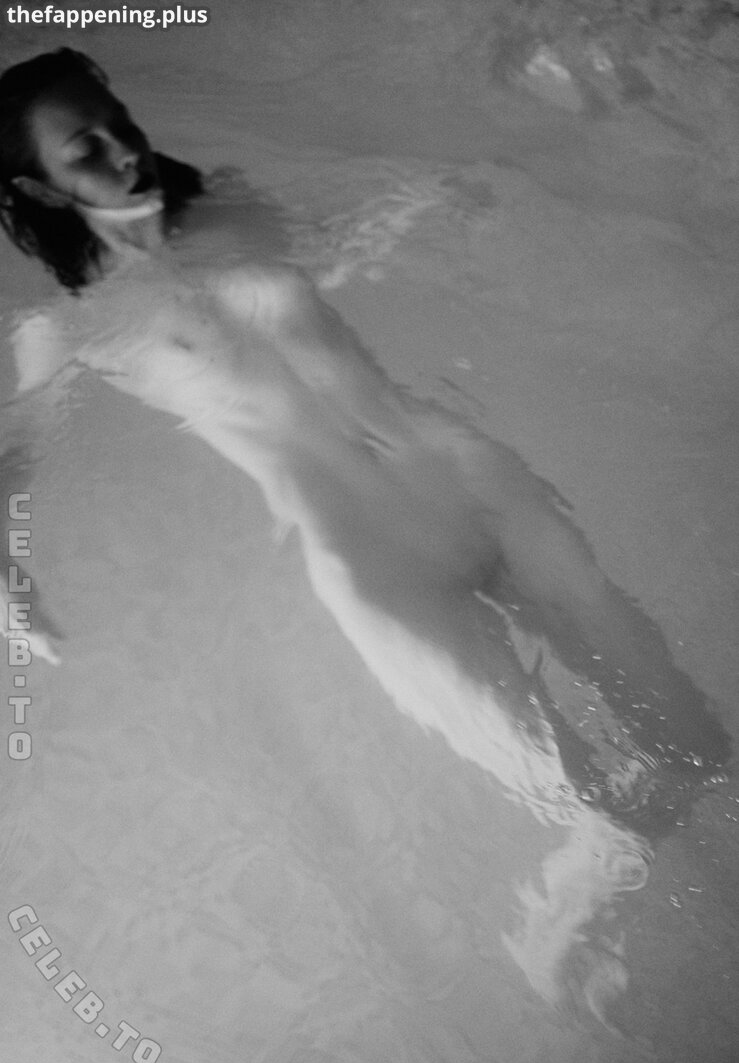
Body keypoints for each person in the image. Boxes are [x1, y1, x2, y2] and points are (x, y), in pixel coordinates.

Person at [0, 48, 730, 1014]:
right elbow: (12, 460)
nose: (125, 149)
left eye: (118, 119)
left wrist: (442, 198)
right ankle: (561, 924)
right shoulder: (71, 327)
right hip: (371, 563)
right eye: (85, 148)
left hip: (463, 477)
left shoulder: (231, 207)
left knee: (695, 745)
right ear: (35, 188)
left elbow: (353, 223)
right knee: (594, 811)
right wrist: (8, 579)